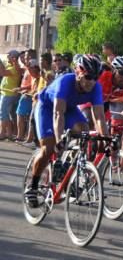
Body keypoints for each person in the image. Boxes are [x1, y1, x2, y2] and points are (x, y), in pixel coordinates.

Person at [24, 54, 109, 207]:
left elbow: (99, 117)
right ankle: (33, 185)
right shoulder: (65, 82)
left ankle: (66, 170)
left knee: (84, 133)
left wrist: (106, 138)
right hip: (47, 108)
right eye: (88, 76)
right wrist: (59, 140)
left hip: (69, 109)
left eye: (95, 77)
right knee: (49, 148)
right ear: (78, 73)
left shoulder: (96, 88)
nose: (92, 81)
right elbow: (58, 114)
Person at [0, 50, 21, 140]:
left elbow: (3, 72)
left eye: (10, 55)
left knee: (3, 114)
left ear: (14, 58)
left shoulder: (15, 68)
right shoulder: (10, 65)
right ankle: (8, 134)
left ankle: (2, 133)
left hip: (9, 94)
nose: (8, 57)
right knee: (5, 114)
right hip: (5, 93)